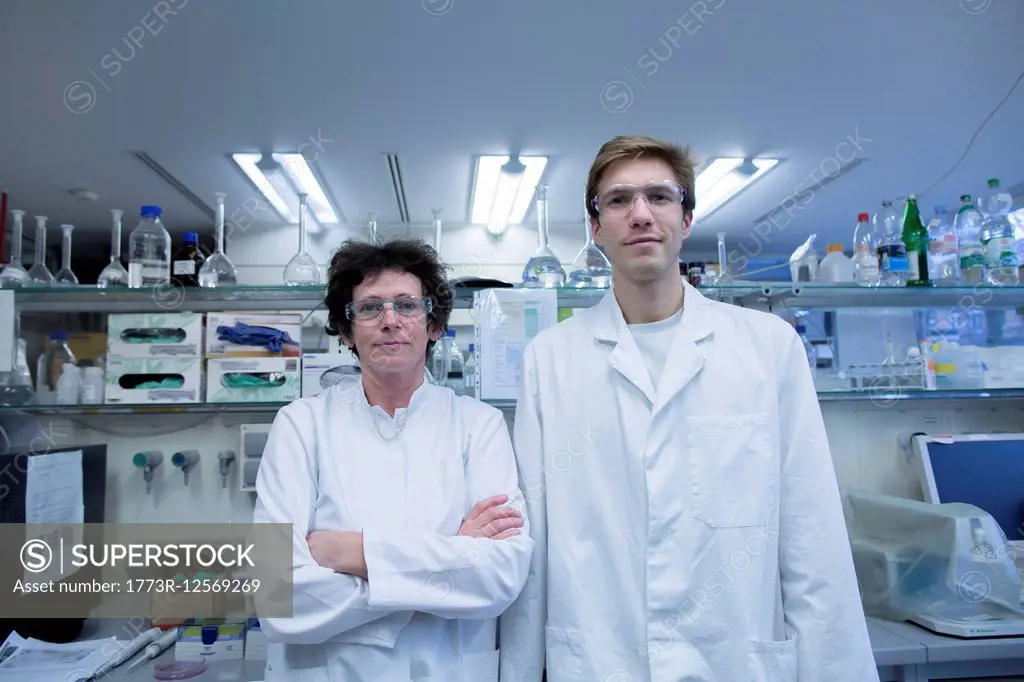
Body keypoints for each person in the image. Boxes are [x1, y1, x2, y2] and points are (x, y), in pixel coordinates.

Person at [498, 135, 878, 682]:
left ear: (688, 216)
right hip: (599, 660)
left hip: (731, 658)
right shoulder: (550, 360)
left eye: (660, 196)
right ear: (595, 227)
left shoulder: (768, 347)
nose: (641, 214)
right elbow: (534, 542)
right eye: (619, 200)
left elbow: (811, 534)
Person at [252, 238, 534, 682]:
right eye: (369, 308)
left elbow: (500, 576)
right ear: (346, 332)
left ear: (434, 325)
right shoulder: (299, 425)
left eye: (407, 305)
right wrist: (445, 567)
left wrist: (351, 552)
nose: (390, 321)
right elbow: (277, 597)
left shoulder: (479, 425)